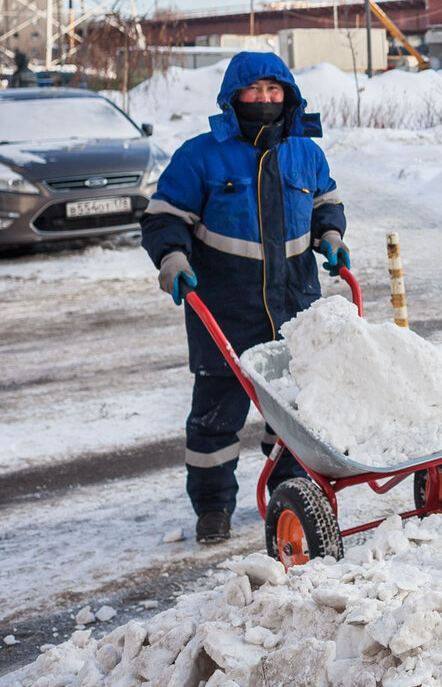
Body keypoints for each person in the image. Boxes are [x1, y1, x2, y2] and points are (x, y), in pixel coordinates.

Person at [140, 51, 348, 544]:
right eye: (254, 91)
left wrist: (332, 237)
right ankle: (213, 507)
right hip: (225, 308)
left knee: (296, 410)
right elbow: (164, 216)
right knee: (216, 418)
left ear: (288, 95)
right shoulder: (201, 155)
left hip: (296, 306)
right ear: (233, 96)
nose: (264, 99)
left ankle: (291, 489)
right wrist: (172, 257)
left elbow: (326, 201)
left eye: (274, 91)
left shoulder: (305, 152)